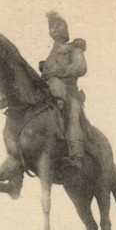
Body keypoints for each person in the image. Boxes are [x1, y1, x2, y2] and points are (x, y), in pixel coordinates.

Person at [40, 11, 87, 170]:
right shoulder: (50, 53)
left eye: (58, 25)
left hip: (70, 92)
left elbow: (81, 67)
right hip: (51, 92)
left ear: (66, 28)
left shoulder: (74, 48)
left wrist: (58, 72)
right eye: (51, 26)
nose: (54, 29)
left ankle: (77, 155)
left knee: (72, 114)